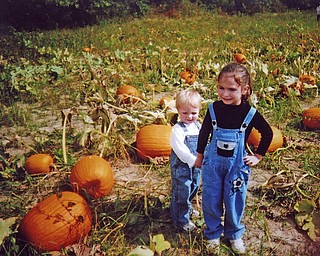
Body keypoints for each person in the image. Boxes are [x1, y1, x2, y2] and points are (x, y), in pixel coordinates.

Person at [194, 63, 273, 254]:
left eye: (231, 89)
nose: (225, 94)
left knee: (234, 200)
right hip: (213, 165)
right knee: (211, 198)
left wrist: (258, 155)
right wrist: (199, 155)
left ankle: (234, 234)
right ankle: (212, 233)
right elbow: (205, 133)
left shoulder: (249, 113)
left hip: (236, 168)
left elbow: (268, 133)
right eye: (221, 88)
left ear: (244, 89)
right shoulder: (213, 109)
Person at [170, 88, 202, 232]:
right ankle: (180, 219)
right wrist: (192, 159)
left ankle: (187, 208)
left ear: (199, 110)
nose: (189, 116)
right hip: (182, 166)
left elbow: (203, 143)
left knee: (194, 186)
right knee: (182, 190)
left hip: (196, 165)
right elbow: (179, 148)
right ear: (178, 111)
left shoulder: (198, 126)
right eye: (185, 113)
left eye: (193, 113)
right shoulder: (178, 129)